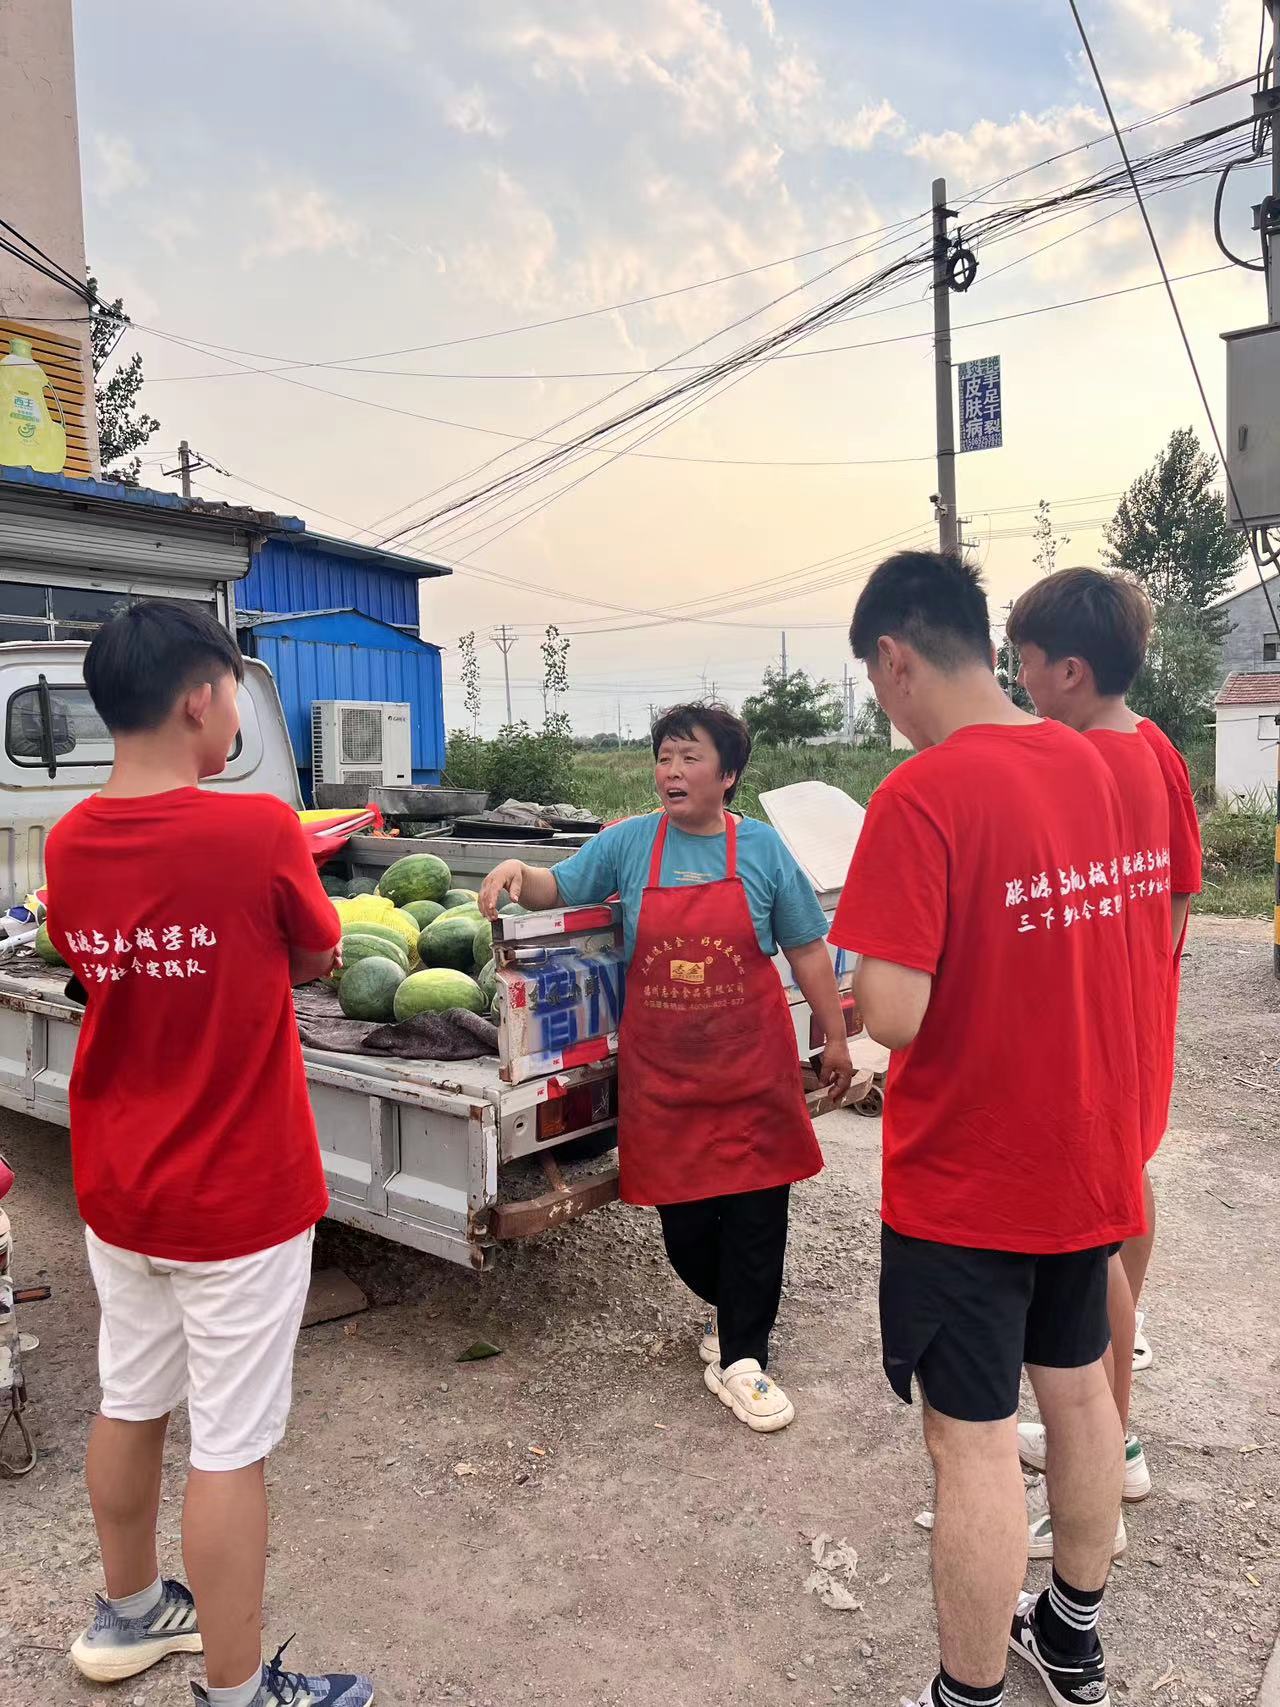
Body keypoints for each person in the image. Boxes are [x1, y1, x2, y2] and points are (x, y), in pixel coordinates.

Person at [829, 552, 1144, 1707]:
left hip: (969, 1178)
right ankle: (1069, 1634)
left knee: (968, 1440)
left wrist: (855, 979)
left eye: (876, 684)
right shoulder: (1085, 761)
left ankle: (963, 1695)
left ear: (893, 659)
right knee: (1079, 1393)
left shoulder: (919, 797)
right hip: (1083, 1149)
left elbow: (894, 1015)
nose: (885, 706)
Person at [45, 603, 372, 1707]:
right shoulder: (258, 830)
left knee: (131, 1398)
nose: (234, 713)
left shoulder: (69, 841)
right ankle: (238, 1694)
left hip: (121, 1185)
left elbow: (88, 961)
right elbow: (319, 953)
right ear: (200, 699)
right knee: (229, 1445)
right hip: (237, 1192)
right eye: (234, 692)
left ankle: (132, 1610)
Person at [480, 702, 852, 1433]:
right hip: (667, 1078)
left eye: (689, 757)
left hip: (752, 1071)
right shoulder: (631, 842)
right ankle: (736, 1312)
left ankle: (742, 1357)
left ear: (728, 774)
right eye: (664, 757)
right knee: (685, 1232)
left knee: (757, 1217)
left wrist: (834, 1037)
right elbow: (562, 888)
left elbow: (808, 948)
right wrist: (520, 870)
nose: (671, 771)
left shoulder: (763, 850)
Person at [1006, 568, 1173, 1544]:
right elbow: (1175, 895)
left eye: (1026, 663)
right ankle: (1113, 1433)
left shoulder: (1079, 767)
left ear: (1068, 669)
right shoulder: (1151, 747)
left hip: (1092, 1040)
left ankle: (1107, 1459)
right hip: (1137, 1026)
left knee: (1089, 1241)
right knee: (1120, 1206)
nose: (1020, 681)